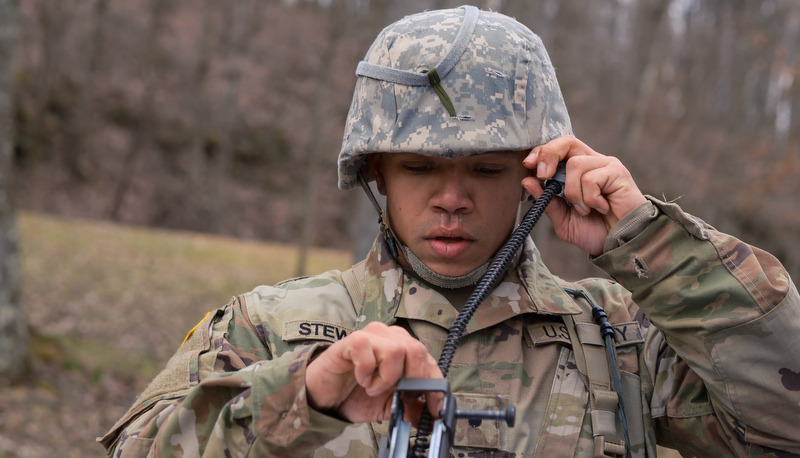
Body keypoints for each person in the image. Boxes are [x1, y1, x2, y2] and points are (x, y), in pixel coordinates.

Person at [100, 6, 800, 458]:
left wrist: (654, 244)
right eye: (419, 166)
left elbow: (784, 422)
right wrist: (305, 396)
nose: (452, 199)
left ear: (538, 172)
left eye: (487, 170)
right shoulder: (274, 327)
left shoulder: (621, 338)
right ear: (378, 172)